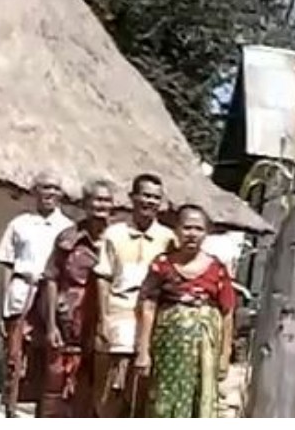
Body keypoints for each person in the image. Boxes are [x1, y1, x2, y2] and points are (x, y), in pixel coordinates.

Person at [135, 204, 236, 418]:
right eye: (187, 227)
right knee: (163, 401)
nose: (192, 234)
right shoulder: (162, 265)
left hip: (205, 352)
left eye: (198, 229)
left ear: (206, 233)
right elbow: (148, 306)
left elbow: (227, 311)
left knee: (199, 400)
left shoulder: (217, 268)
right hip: (168, 350)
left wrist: (225, 355)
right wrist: (143, 351)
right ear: (177, 230)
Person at [93, 173, 177, 417]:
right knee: (111, 387)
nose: (149, 201)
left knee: (142, 388)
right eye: (145, 195)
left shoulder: (168, 239)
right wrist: (103, 319)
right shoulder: (114, 234)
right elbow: (103, 278)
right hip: (118, 312)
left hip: (153, 319)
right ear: (132, 197)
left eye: (155, 197)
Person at [0, 172, 74, 416]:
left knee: (49, 359)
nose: (50, 193)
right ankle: (10, 410)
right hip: (22, 291)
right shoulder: (19, 224)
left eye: (55, 188)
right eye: (45, 187)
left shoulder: (68, 228)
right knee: (14, 357)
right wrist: (3, 308)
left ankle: (44, 413)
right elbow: (7, 266)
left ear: (61, 194)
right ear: (35, 191)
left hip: (52, 297)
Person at [38, 179, 115, 418]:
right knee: (55, 389)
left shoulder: (117, 239)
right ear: (85, 204)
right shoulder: (68, 239)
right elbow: (51, 278)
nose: (101, 205)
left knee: (94, 391)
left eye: (106, 200)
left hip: (104, 326)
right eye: (96, 200)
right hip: (68, 323)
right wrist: (51, 325)